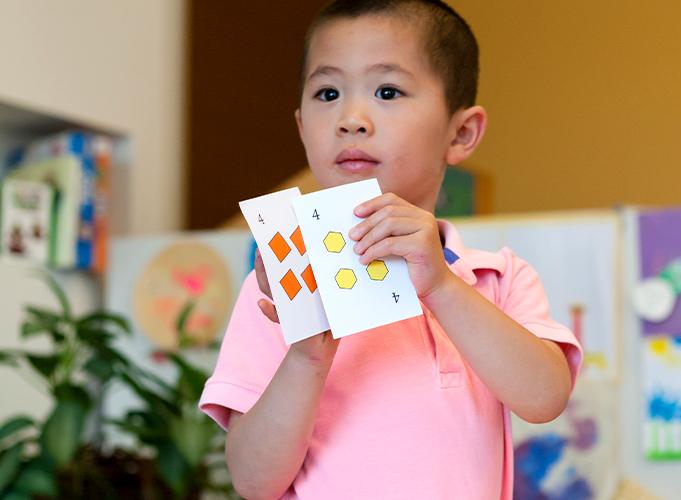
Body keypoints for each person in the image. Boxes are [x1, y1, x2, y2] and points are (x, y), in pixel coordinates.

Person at [199, 1, 582, 498]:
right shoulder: (277, 288)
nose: (350, 118)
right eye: (328, 92)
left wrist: (441, 285)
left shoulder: (496, 278)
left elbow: (545, 397)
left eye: (387, 90)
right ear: (301, 128)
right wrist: (305, 356)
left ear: (461, 132)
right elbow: (253, 481)